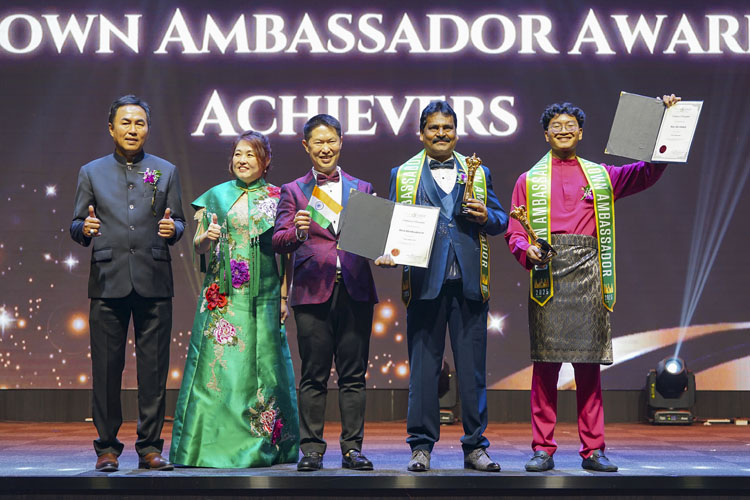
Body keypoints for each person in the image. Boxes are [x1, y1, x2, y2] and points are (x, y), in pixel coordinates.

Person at [505, 95, 681, 473]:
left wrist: (664, 121)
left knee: (589, 369)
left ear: (581, 133)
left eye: (570, 126)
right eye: (556, 127)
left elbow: (648, 171)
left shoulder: (601, 176)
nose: (563, 131)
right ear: (545, 134)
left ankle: (593, 450)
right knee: (545, 368)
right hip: (549, 278)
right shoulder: (528, 180)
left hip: (589, 277)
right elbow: (515, 231)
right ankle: (543, 448)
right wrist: (526, 250)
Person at [376, 100, 508, 472]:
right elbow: (392, 226)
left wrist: (486, 215)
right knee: (423, 373)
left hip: (469, 287)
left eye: (447, 127)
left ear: (456, 132)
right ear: (421, 134)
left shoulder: (478, 171)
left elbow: (501, 220)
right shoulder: (402, 173)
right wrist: (387, 251)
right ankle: (420, 447)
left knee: (472, 372)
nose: (441, 134)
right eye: (433, 128)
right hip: (424, 286)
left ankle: (475, 447)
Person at [169, 131, 299, 468]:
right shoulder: (216, 196)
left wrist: (283, 296)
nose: (243, 160)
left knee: (262, 368)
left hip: (264, 296)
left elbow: (286, 253)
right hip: (222, 297)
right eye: (238, 154)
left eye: (251, 154)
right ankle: (206, 445)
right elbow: (198, 246)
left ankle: (263, 444)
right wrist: (206, 237)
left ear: (265, 161)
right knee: (218, 371)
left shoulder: (279, 197)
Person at [70, 95, 185, 472]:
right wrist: (85, 228)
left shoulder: (166, 170)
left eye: (140, 123)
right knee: (106, 371)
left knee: (154, 370)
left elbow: (179, 221)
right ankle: (106, 448)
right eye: (126, 122)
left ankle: (150, 447)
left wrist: (173, 229)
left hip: (154, 279)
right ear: (111, 128)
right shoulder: (91, 172)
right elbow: (76, 225)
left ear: (147, 129)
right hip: (108, 280)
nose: (133, 129)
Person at [272, 114, 378, 472]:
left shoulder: (362, 188)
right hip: (311, 292)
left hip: (355, 290)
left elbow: (374, 241)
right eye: (318, 142)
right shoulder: (293, 190)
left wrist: (387, 251)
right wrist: (298, 232)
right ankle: (312, 450)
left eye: (331, 140)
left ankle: (353, 449)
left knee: (353, 376)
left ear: (341, 142)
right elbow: (278, 240)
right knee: (313, 376)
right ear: (306, 146)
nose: (325, 148)